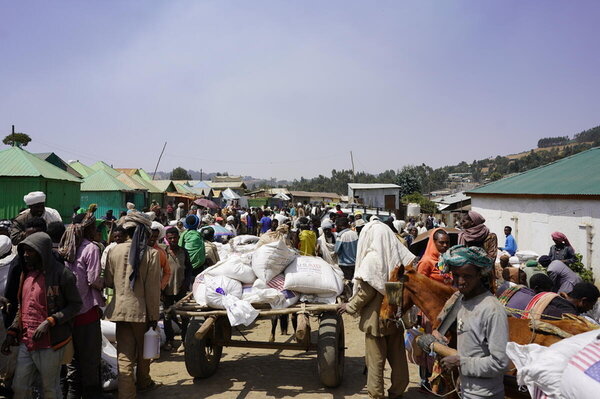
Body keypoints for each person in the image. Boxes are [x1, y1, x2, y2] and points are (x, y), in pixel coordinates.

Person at [337, 219, 414, 399]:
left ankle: (376, 394)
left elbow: (366, 292)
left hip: (376, 319)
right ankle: (397, 391)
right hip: (395, 315)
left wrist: (349, 306)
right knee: (398, 359)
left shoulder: (372, 259)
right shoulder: (398, 254)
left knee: (375, 362)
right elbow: (396, 286)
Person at [2, 232, 82, 399]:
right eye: (24, 251)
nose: (25, 255)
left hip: (50, 343)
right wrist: (13, 331)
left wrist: (51, 321)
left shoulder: (62, 274)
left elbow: (75, 305)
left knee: (50, 388)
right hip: (27, 341)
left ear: (42, 251)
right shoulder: (26, 275)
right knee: (20, 386)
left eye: (30, 251)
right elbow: (23, 308)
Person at [437, 245, 509, 399]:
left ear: (480, 275)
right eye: (456, 275)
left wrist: (460, 363)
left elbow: (500, 363)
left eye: (467, 276)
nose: (460, 281)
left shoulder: (492, 310)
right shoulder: (462, 301)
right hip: (467, 391)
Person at [104, 213, 162, 397]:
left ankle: (126, 393)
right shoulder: (151, 254)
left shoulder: (114, 250)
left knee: (125, 355)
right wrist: (154, 317)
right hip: (141, 313)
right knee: (144, 352)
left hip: (120, 310)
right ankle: (144, 382)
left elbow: (108, 281)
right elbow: (153, 291)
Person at [58, 212, 106, 398]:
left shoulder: (66, 246)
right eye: (95, 227)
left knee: (72, 361)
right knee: (90, 360)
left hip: (68, 314)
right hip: (87, 313)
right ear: (89, 229)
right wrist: (107, 282)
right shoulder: (91, 248)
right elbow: (94, 280)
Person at [415, 228, 451, 388]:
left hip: (446, 311)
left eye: (447, 243)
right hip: (429, 313)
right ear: (433, 242)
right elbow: (418, 289)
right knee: (428, 345)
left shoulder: (446, 261)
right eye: (441, 242)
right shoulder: (426, 262)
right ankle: (425, 380)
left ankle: (440, 379)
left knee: (443, 345)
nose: (444, 245)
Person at [163, 227, 192, 350]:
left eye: (175, 237)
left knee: (184, 316)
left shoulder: (184, 252)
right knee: (167, 316)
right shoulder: (163, 252)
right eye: (170, 238)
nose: (173, 240)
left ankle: (184, 341)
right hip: (166, 289)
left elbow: (189, 269)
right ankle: (170, 340)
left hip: (181, 288)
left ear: (178, 238)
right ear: (167, 239)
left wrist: (186, 283)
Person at [149, 222, 172, 290]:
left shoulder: (160, 252)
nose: (152, 239)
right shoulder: (140, 250)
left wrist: (161, 287)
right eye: (151, 236)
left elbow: (167, 272)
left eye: (155, 236)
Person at [334, 217, 358, 282]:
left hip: (344, 264)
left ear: (340, 226)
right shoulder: (355, 234)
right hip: (355, 263)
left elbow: (336, 250)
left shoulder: (341, 236)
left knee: (346, 282)